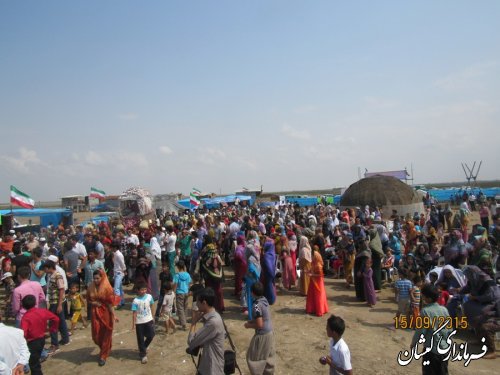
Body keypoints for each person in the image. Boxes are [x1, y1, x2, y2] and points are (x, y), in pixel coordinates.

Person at [411, 284, 452, 374]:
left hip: (431, 350)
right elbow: (449, 328)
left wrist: (414, 343)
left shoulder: (425, 311)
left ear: (428, 298)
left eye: (423, 296)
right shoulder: (444, 309)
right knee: (443, 371)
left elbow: (421, 331)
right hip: (444, 349)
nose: (423, 298)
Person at [187, 287, 225, 375]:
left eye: (197, 302)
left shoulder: (213, 322)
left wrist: (193, 323)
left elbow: (191, 341)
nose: (196, 304)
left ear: (204, 303)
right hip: (208, 364)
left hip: (212, 368)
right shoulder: (214, 316)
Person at [20, 295, 59, 375]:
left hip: (32, 342)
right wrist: (52, 329)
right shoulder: (42, 311)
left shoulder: (26, 317)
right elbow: (56, 319)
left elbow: (23, 333)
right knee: (35, 361)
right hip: (42, 339)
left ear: (23, 306)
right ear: (35, 303)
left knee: (33, 364)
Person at [244, 281, 275, 375]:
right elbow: (263, 318)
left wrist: (249, 325)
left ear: (253, 293)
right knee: (268, 357)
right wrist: (253, 321)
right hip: (270, 333)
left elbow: (260, 324)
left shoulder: (256, 305)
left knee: (255, 358)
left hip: (262, 335)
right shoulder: (264, 300)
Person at [87, 269, 116, 366]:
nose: (95, 280)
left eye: (97, 278)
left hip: (106, 313)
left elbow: (110, 304)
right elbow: (88, 299)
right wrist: (93, 303)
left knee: (106, 333)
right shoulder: (90, 287)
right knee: (96, 335)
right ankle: (105, 348)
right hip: (95, 313)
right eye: (94, 278)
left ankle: (103, 355)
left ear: (102, 277)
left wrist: (114, 315)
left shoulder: (107, 288)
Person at [42, 260, 70, 355]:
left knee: (53, 323)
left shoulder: (57, 275)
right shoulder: (51, 275)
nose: (44, 270)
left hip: (56, 302)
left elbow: (61, 290)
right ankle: (65, 339)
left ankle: (55, 344)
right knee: (61, 321)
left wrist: (59, 305)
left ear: (49, 267)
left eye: (45, 268)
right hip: (55, 302)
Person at [131, 282, 155, 364]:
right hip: (139, 322)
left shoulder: (149, 297)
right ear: (138, 290)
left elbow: (152, 305)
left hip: (149, 320)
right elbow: (134, 313)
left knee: (151, 335)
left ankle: (143, 347)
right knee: (140, 339)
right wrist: (133, 324)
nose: (144, 291)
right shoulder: (135, 301)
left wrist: (153, 317)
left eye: (145, 289)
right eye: (142, 290)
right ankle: (143, 355)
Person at [306, 248, 329, 316]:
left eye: (312, 256)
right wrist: (308, 271)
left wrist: (312, 274)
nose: (311, 257)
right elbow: (311, 270)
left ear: (316, 256)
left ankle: (319, 310)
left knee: (318, 296)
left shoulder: (318, 265)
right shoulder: (313, 263)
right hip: (313, 282)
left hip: (318, 283)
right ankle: (312, 309)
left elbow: (320, 275)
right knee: (312, 296)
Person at [173, 260, 192, 330]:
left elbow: (175, 284)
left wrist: (173, 292)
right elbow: (190, 283)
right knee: (185, 307)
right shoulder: (187, 274)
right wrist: (189, 290)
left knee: (180, 308)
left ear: (178, 267)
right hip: (186, 292)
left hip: (179, 293)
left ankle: (183, 324)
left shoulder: (177, 275)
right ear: (184, 266)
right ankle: (184, 320)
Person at [261, 236, 277, 305]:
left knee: (268, 287)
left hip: (268, 274)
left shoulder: (266, 256)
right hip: (271, 273)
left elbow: (268, 266)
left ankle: (270, 300)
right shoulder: (272, 253)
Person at [111, 241, 126, 309]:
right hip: (117, 272)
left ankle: (118, 303)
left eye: (112, 247)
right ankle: (122, 301)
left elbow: (122, 264)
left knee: (116, 289)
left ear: (115, 247)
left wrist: (124, 270)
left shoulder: (119, 254)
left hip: (119, 273)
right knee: (119, 288)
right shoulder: (115, 254)